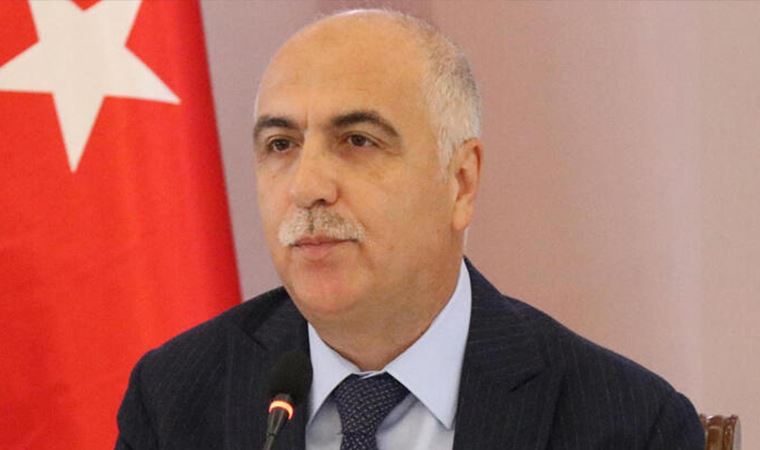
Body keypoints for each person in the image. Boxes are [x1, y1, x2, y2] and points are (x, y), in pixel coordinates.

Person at [116, 9, 704, 450]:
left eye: (357, 140)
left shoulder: (625, 423)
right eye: (281, 145)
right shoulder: (175, 398)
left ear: (460, 182)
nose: (306, 186)